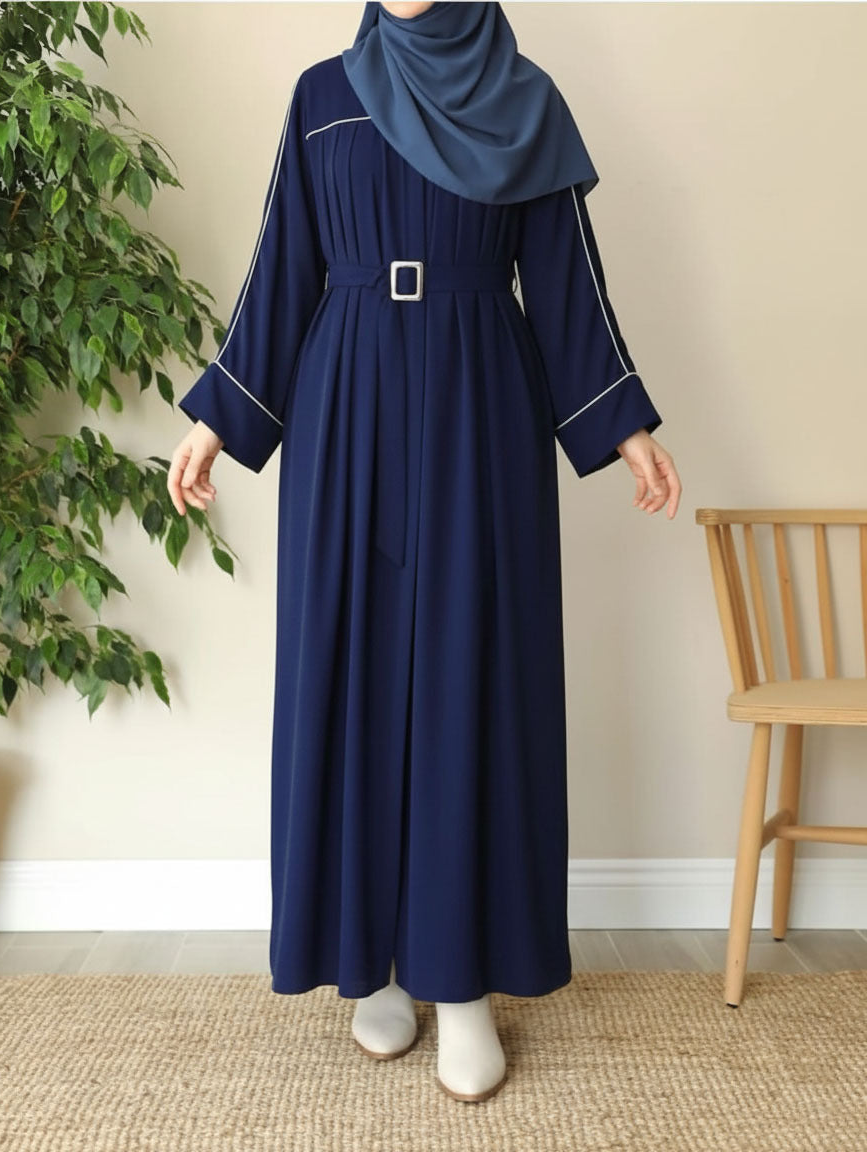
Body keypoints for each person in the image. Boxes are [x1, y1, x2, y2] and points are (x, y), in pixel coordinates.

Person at [167, 0, 681, 1104]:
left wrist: (622, 424)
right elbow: (280, 270)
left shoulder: (525, 100)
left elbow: (565, 280)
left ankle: (463, 984)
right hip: (344, 395)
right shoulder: (321, 96)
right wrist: (217, 417)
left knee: (470, 680)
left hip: (478, 399)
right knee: (351, 675)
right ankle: (376, 967)